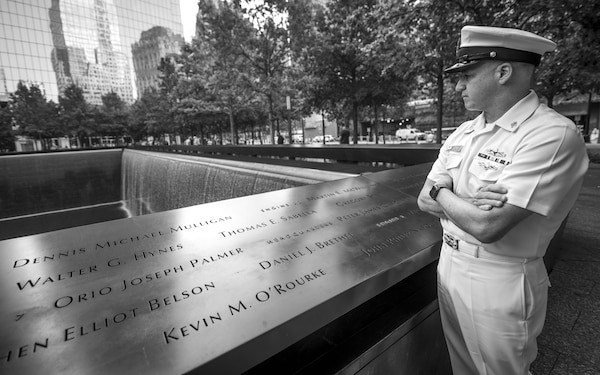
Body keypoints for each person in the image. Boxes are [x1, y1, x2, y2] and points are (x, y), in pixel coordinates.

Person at [417, 25, 589, 375]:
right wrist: (454, 196)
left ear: (503, 72)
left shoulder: (551, 134)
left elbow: (487, 224)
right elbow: (424, 198)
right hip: (449, 264)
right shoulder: (466, 131)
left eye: (467, 74)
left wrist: (444, 190)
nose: (458, 85)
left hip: (499, 278)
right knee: (463, 367)